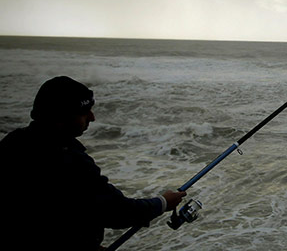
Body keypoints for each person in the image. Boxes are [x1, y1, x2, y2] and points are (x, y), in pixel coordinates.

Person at [0, 76, 187, 250]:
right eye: (83, 112)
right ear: (60, 118)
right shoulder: (68, 160)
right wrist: (162, 203)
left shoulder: (13, 142)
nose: (92, 117)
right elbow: (115, 210)